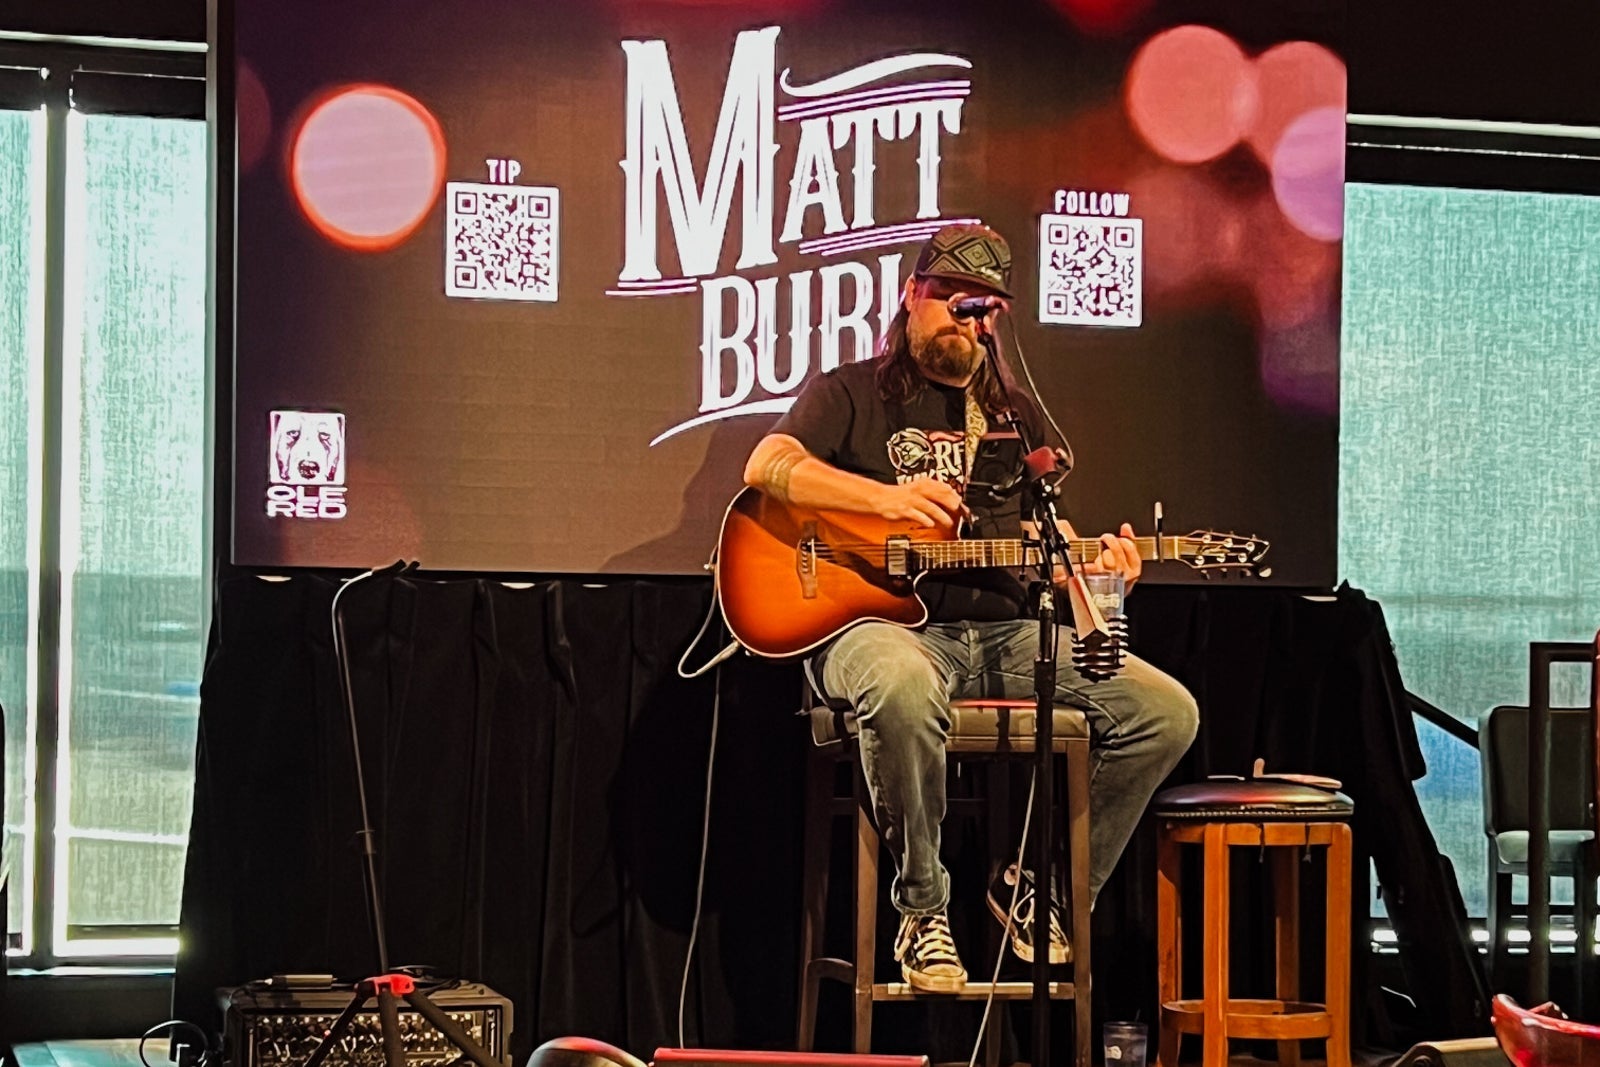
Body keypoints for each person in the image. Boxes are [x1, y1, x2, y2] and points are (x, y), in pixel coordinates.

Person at [742, 223, 1199, 993]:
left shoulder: (1018, 421)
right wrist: (886, 499)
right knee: (902, 682)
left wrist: (1106, 578)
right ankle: (923, 907)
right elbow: (768, 465)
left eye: (979, 306)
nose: (963, 315)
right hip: (873, 629)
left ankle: (1043, 890)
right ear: (911, 296)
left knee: (1166, 710)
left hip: (1005, 635)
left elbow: (1050, 558)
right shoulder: (849, 392)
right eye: (949, 297)